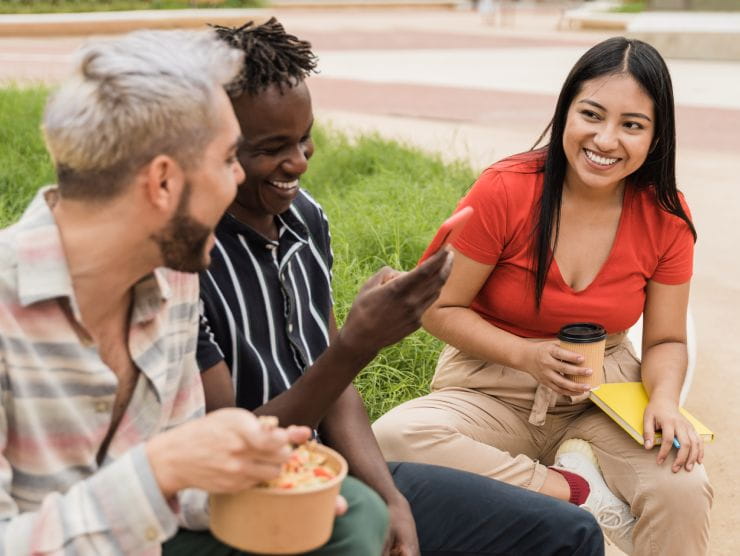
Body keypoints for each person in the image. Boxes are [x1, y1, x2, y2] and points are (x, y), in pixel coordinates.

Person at [189, 18, 605, 556]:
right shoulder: (185, 259)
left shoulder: (304, 218)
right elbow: (227, 450)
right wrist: (358, 346)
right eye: (271, 148)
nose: (297, 162)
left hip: (331, 471)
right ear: (212, 142)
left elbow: (334, 389)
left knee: (569, 535)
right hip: (246, 503)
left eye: (305, 137)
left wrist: (390, 495)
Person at [372, 37, 714, 555]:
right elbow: (437, 307)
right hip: (492, 388)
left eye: (632, 125)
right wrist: (526, 354)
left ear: (656, 134)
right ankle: (573, 491)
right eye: (591, 115)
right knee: (393, 437)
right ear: (566, 112)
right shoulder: (505, 189)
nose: (605, 139)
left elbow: (666, 337)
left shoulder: (667, 215)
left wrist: (664, 400)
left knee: (683, 488)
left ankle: (579, 473)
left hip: (604, 394)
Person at [0, 30, 328, 554]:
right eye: (227, 160)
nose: (238, 177)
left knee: (349, 522)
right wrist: (161, 469)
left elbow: (180, 484)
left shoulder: (172, 279)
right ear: (163, 183)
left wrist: (254, 472)